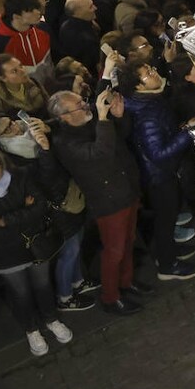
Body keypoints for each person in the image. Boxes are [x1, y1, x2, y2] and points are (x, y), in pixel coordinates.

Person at [47, 89, 145, 316]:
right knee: (114, 250)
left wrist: (118, 117)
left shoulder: (90, 121)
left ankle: (126, 283)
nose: (85, 106)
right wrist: (102, 119)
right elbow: (99, 155)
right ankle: (111, 298)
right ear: (64, 117)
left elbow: (117, 139)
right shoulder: (64, 142)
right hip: (108, 201)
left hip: (126, 189)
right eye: (79, 105)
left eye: (83, 101)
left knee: (129, 241)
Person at [0, 145, 75, 358]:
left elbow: (40, 207)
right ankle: (31, 330)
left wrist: (5, 220)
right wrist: (25, 211)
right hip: (6, 256)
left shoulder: (21, 177)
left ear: (2, 164)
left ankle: (51, 319)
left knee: (43, 286)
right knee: (21, 294)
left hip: (36, 246)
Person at [114, 60, 195, 283]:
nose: (154, 73)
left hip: (163, 173)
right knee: (166, 218)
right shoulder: (146, 115)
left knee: (167, 218)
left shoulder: (149, 101)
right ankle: (168, 264)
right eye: (148, 73)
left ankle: (167, 251)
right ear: (138, 87)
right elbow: (158, 153)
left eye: (150, 68)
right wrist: (186, 132)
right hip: (159, 175)